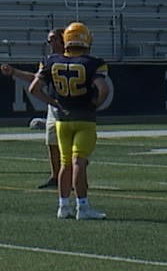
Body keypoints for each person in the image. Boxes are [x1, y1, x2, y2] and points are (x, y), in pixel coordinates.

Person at [29, 22, 110, 220]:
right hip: (84, 119)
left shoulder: (51, 61)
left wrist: (54, 102)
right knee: (79, 163)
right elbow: (104, 89)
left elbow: (34, 89)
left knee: (65, 163)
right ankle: (83, 207)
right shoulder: (93, 63)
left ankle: (63, 206)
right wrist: (94, 105)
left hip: (62, 121)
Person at [0, 28, 66, 188]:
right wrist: (14, 72)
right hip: (54, 105)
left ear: (62, 40)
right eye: (49, 41)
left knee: (66, 145)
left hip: (67, 104)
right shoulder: (49, 60)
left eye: (53, 40)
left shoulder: (71, 58)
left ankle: (69, 178)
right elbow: (36, 79)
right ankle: (55, 176)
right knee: (51, 142)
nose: (50, 44)